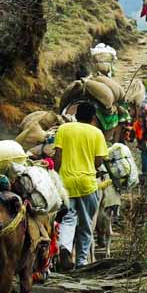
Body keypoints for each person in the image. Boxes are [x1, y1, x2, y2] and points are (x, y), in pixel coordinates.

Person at [51, 100, 109, 269]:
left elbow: (58, 156)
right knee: (85, 224)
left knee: (67, 219)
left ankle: (65, 248)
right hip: (87, 184)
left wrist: (55, 175)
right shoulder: (97, 133)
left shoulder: (64, 129)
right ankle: (82, 261)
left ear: (75, 115)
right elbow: (99, 161)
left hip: (66, 184)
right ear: (93, 118)